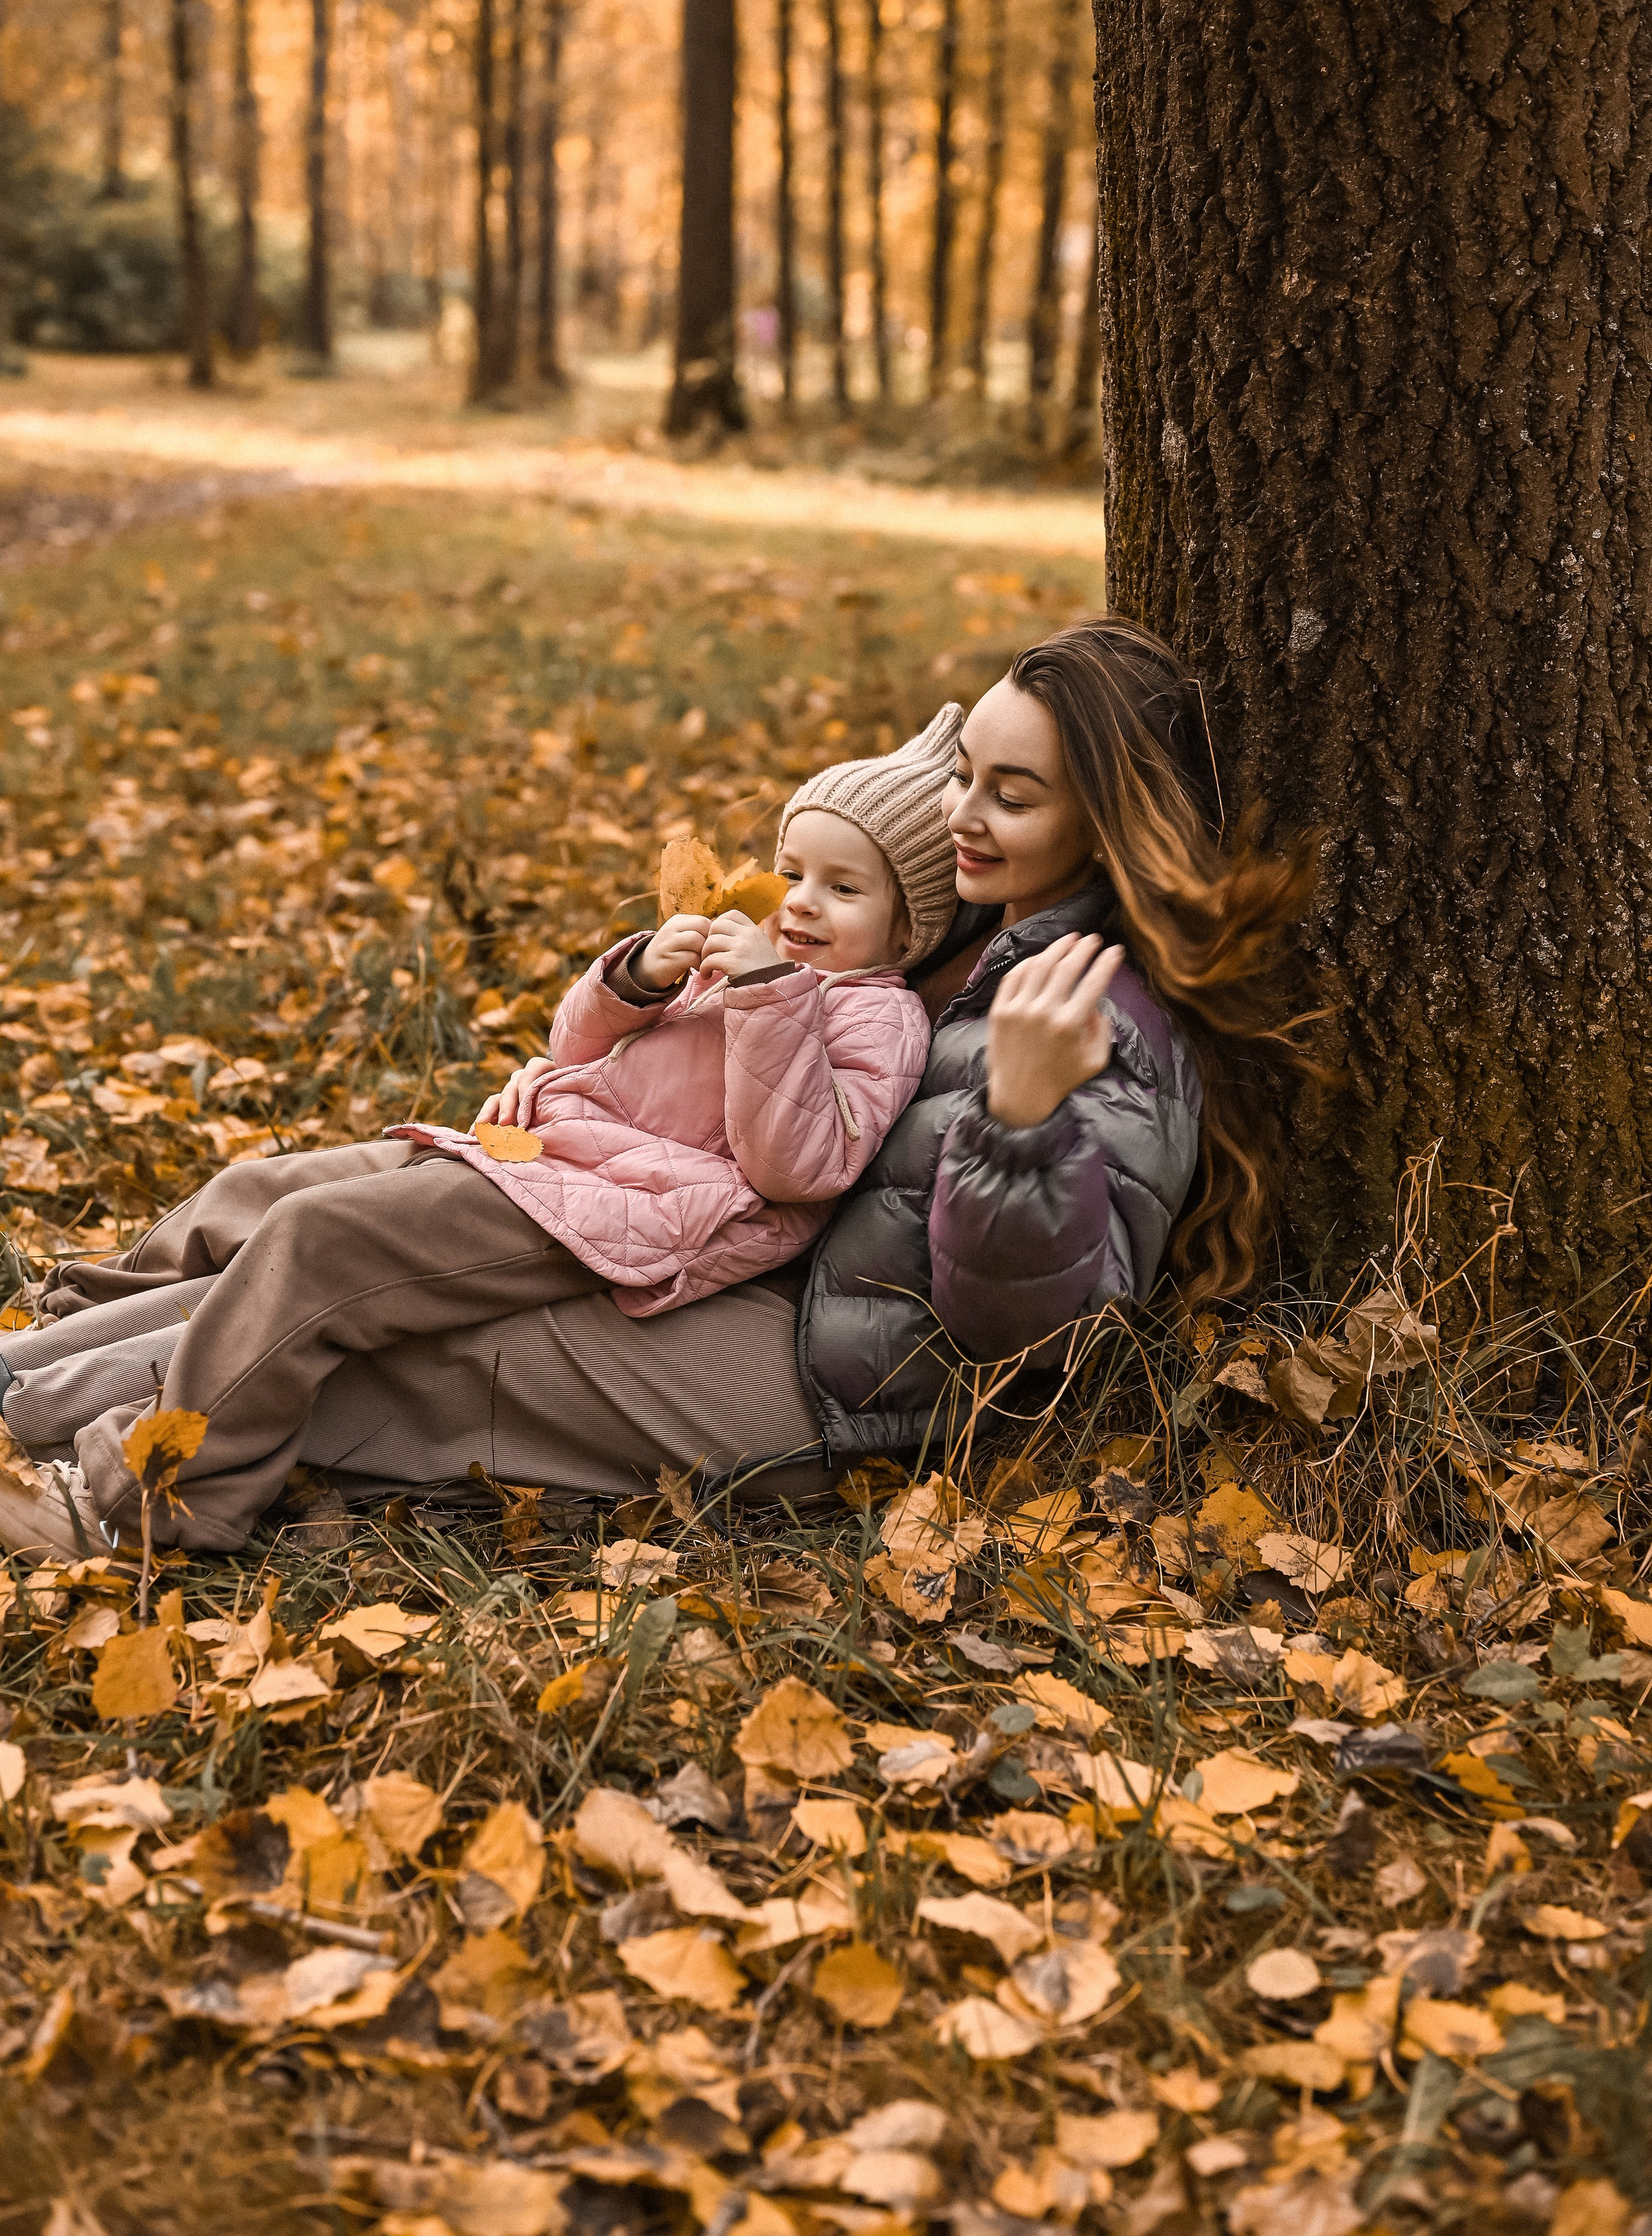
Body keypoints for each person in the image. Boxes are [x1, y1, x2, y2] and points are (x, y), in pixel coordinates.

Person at [0, 618, 1313, 1556]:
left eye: (1009, 796)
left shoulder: (1095, 1009)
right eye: (964, 774)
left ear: (1107, 813)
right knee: (337, 1225)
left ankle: (138, 1502)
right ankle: (29, 1381)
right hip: (734, 1254)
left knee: (396, 1336)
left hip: (829, 1383)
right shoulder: (967, 921)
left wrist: (1021, 1128)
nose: (964, 815)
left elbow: (1019, 1339)